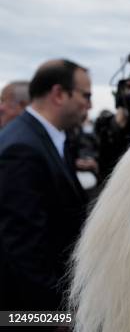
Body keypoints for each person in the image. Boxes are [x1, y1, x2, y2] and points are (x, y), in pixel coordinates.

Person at [0, 59, 91, 311]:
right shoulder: (22, 147)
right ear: (59, 94)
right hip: (30, 312)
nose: (89, 105)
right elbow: (23, 246)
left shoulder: (46, 138)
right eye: (85, 95)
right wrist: (52, 315)